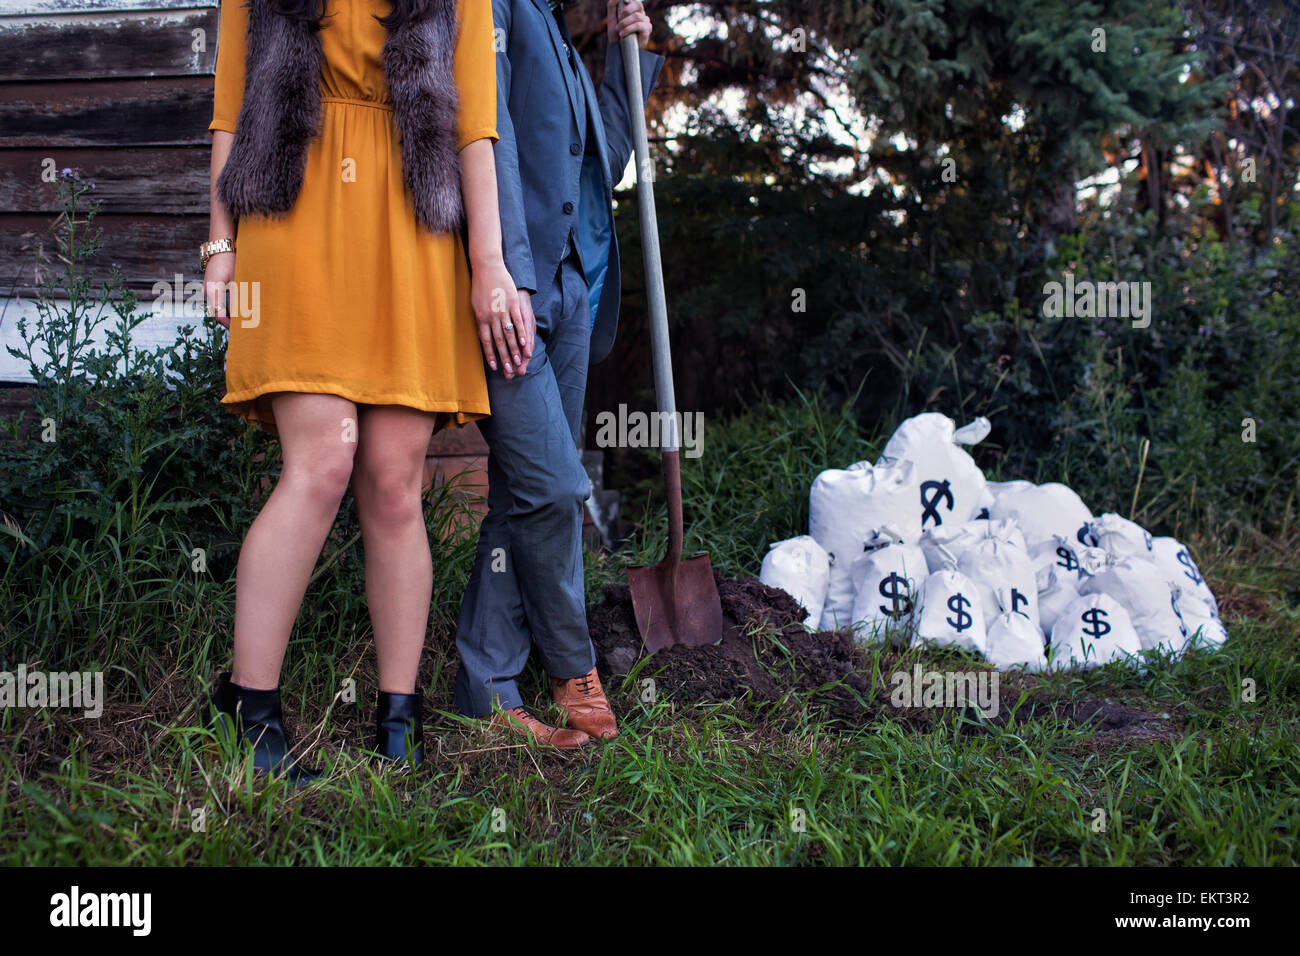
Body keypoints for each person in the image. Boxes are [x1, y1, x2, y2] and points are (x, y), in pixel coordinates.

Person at [202, 0, 524, 782]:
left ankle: (399, 720)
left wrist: (489, 265)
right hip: (295, 210)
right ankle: (250, 705)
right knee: (320, 465)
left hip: (412, 226)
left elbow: (474, 127)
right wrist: (219, 242)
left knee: (392, 481)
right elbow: (230, 109)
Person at [453, 0, 663, 747]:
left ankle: (484, 688)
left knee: (520, 496)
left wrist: (626, 57)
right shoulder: (495, 9)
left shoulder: (559, 34)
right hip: (515, 289)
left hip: (575, 290)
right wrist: (505, 270)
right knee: (555, 485)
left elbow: (601, 157)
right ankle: (573, 666)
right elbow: (490, 140)